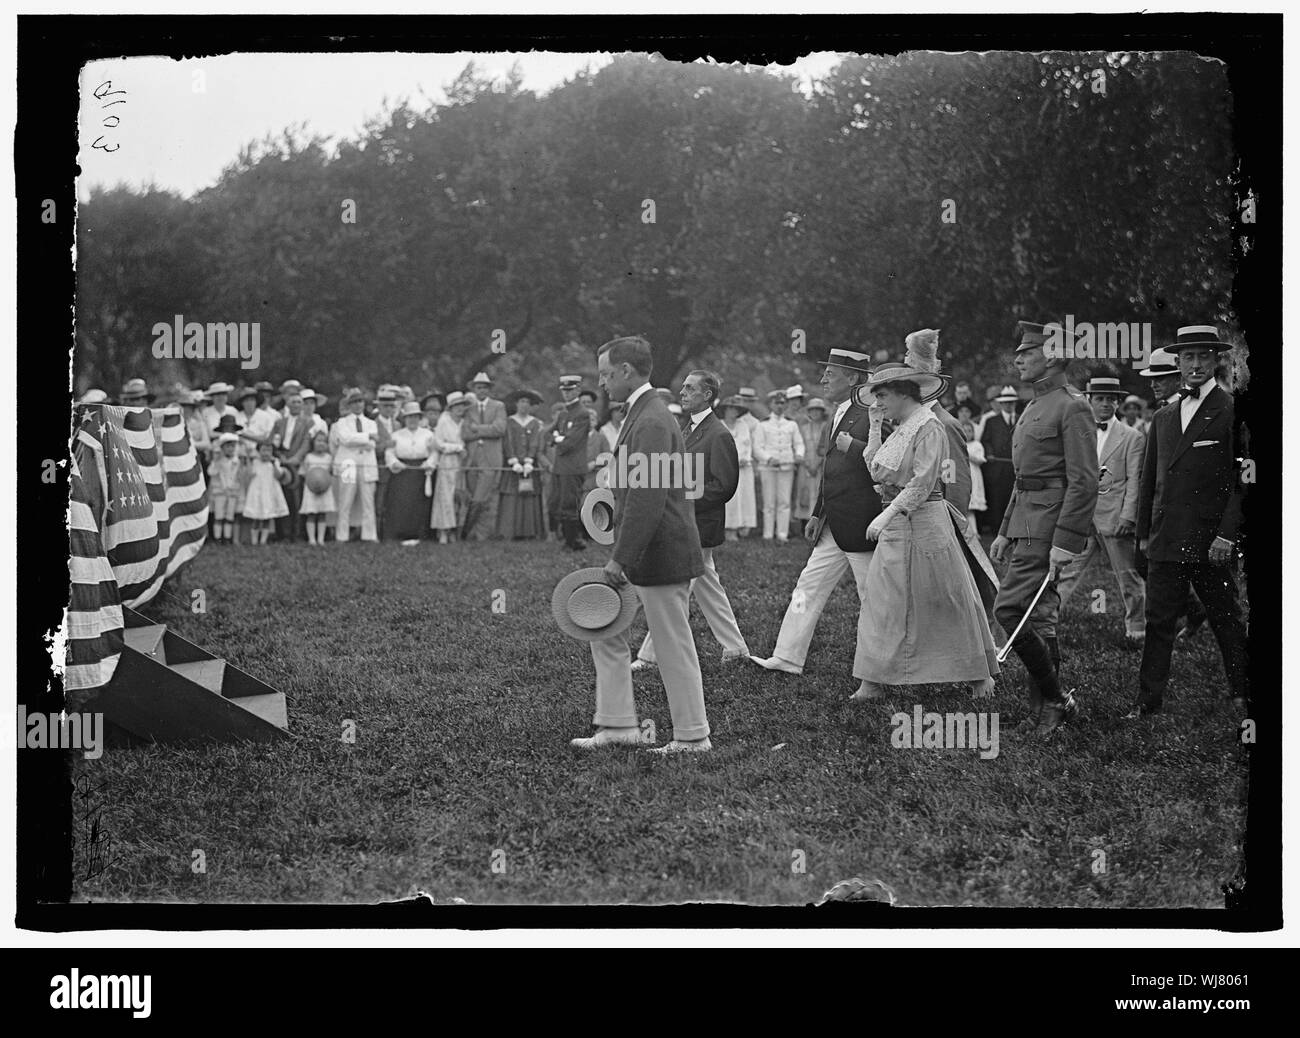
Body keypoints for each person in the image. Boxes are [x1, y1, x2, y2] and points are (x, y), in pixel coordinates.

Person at [571, 336, 711, 754]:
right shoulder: (644, 413)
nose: (602, 382)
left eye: (606, 374)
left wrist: (619, 560)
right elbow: (636, 489)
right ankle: (617, 726)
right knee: (605, 630)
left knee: (672, 647)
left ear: (627, 372)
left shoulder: (650, 419)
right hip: (647, 547)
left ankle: (693, 736)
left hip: (660, 550)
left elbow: (648, 501)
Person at [850, 363, 999, 700]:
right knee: (884, 600)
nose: (879, 403)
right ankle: (872, 679)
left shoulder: (929, 426)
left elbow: (923, 482)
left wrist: (885, 516)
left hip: (926, 523)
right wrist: (874, 426)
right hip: (896, 524)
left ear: (905, 393)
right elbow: (875, 469)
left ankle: (979, 675)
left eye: (883, 396)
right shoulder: (900, 427)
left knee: (944, 596)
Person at [1130, 325, 1248, 718]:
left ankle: (1242, 692)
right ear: (1177, 363)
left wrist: (1227, 537)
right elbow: (1149, 482)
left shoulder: (1232, 411)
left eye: (1202, 356)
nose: (1195, 365)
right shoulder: (1163, 417)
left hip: (1210, 541)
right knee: (1158, 622)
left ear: (1216, 360)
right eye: (1188, 357)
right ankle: (1148, 704)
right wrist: (1144, 536)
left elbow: (1243, 481)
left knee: (1226, 618)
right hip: (1166, 539)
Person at [989, 321, 1098, 734]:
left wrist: (1066, 542)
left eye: (1028, 352)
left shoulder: (1072, 406)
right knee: (1042, 616)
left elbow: (1084, 480)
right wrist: (1003, 530)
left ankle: (1055, 698)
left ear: (1052, 356)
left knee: (1008, 608)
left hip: (1049, 527)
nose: (1018, 358)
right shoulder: (1035, 404)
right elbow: (1024, 477)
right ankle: (1045, 709)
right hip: (1026, 522)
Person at [750, 348, 879, 675]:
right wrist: (817, 514)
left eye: (830, 374)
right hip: (833, 524)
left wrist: (855, 447)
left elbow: (883, 462)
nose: (822, 379)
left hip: (862, 524)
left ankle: (881, 671)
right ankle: (787, 656)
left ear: (853, 378)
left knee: (874, 599)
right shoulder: (840, 413)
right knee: (806, 589)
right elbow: (831, 469)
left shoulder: (872, 413)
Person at [634, 370, 749, 670]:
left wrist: (682, 501)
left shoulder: (719, 434)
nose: (682, 392)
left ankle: (649, 655)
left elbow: (724, 486)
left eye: (689, 388)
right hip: (688, 523)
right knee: (706, 587)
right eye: (683, 387)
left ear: (707, 395)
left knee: (675, 588)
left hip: (701, 525)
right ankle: (736, 649)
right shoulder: (688, 428)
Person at [1054, 376, 1147, 644]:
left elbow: (1134, 481)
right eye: (1100, 399)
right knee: (1066, 569)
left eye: (1111, 399)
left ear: (1118, 402)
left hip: (1114, 518)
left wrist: (1128, 516)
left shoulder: (1132, 437)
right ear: (1089, 401)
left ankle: (1137, 625)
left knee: (1127, 575)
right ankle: (1047, 620)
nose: (1105, 404)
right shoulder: (1079, 433)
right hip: (1082, 518)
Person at [753, 389, 805, 542]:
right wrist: (768, 458)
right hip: (768, 467)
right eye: (776, 403)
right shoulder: (762, 424)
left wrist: (799, 454)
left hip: (786, 466)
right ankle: (767, 534)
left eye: (783, 403)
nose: (780, 406)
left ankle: (782, 534)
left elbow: (799, 443)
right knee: (769, 502)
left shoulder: (791, 424)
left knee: (784, 502)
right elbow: (757, 447)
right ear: (770, 404)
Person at [385, 401, 438, 545]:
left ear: (419, 418)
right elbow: (389, 453)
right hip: (402, 472)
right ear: (405, 419)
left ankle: (420, 533)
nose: (412, 420)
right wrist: (395, 463)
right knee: (402, 502)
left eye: (415, 417)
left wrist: (429, 464)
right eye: (409, 417)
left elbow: (434, 453)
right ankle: (400, 533)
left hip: (421, 472)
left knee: (420, 504)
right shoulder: (396, 435)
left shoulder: (428, 434)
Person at [461, 372, 507, 540]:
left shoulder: (498, 406)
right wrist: (485, 430)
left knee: (481, 498)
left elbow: (500, 429)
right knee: (476, 497)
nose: (481, 390)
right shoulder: (468, 409)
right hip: (472, 459)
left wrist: (477, 429)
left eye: (484, 387)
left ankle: (467, 532)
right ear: (474, 389)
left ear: (489, 389)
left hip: (490, 458)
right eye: (478, 387)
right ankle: (479, 534)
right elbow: (465, 433)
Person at [333, 388, 380, 543]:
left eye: (360, 401)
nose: (358, 405)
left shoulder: (371, 423)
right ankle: (342, 535)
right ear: (349, 405)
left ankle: (369, 535)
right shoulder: (342, 423)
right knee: (345, 500)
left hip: (367, 462)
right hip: (348, 463)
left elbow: (373, 443)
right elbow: (346, 439)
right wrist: (366, 437)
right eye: (354, 402)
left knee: (368, 501)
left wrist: (363, 440)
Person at [497, 389, 546, 540]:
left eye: (527, 402)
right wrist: (513, 460)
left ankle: (530, 532)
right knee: (511, 494)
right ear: (516, 404)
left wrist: (529, 460)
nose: (524, 405)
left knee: (530, 494)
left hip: (530, 466)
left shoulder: (535, 423)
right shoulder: (510, 421)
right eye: (521, 402)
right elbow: (508, 442)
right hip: (513, 466)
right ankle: (510, 531)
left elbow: (535, 442)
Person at [552, 374, 592, 551]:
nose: (567, 394)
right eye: (564, 391)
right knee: (560, 502)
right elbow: (548, 434)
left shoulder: (582, 413)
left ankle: (574, 541)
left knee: (570, 503)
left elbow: (569, 443)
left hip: (573, 466)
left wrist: (558, 439)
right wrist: (558, 438)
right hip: (561, 465)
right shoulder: (563, 413)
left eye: (570, 390)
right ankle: (570, 539)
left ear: (577, 390)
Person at [271, 390, 315, 543]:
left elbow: (305, 443)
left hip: (297, 464)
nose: (296, 405)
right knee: (280, 498)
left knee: (297, 500)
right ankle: (281, 533)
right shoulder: (279, 423)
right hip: (281, 463)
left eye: (299, 402)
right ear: (287, 404)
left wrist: (295, 459)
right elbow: (273, 443)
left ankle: (296, 534)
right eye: (293, 402)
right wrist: (280, 457)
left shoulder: (308, 422)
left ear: (302, 405)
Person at [979, 385, 1020, 536]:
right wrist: (989, 453)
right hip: (997, 468)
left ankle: (1013, 530)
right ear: (1001, 404)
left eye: (1012, 403)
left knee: (1014, 498)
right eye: (1006, 403)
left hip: (1015, 468)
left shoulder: (1022, 419)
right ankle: (997, 530)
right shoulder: (992, 421)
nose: (1009, 405)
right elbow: (986, 440)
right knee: (997, 499)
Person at [431, 391, 470, 544]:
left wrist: (462, 450)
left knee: (458, 496)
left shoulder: (465, 422)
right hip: (447, 461)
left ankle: (455, 530)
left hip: (462, 462)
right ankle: (443, 531)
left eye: (462, 405)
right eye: (456, 406)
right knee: (445, 497)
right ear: (450, 408)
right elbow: (437, 443)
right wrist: (457, 448)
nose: (459, 409)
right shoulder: (444, 421)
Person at [720, 395, 757, 540]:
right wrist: (732, 461)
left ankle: (743, 525)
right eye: (730, 408)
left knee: (745, 496)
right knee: (730, 498)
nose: (733, 411)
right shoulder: (719, 425)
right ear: (724, 410)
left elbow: (747, 445)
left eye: (735, 409)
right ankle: (729, 528)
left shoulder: (743, 425)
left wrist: (744, 458)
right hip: (726, 468)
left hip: (744, 466)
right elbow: (721, 448)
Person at [243, 440, 290, 545]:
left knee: (267, 517)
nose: (266, 453)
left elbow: (278, 475)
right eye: (263, 450)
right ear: (258, 451)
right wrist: (248, 459)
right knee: (256, 517)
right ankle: (254, 541)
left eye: (269, 451)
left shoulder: (274, 462)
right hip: (257, 492)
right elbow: (250, 474)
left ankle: (263, 540)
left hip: (269, 492)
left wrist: (274, 464)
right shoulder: (255, 462)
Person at [794, 395, 828, 534]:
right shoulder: (802, 428)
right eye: (812, 410)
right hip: (805, 465)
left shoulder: (825, 427)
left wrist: (817, 463)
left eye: (818, 410)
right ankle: (803, 525)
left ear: (822, 412)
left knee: (818, 492)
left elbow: (825, 447)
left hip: (820, 465)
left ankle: (817, 524)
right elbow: (798, 445)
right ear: (808, 412)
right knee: (804, 492)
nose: (815, 413)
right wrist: (806, 464)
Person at [373, 388, 401, 541]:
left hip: (397, 470)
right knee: (378, 502)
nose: (389, 409)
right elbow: (371, 449)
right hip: (380, 468)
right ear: (380, 407)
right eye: (386, 406)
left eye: (392, 406)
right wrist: (385, 445)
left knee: (393, 501)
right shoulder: (372, 424)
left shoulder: (398, 425)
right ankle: (377, 533)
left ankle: (391, 533)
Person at [300, 431, 337, 546]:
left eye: (323, 441)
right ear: (313, 443)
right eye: (318, 441)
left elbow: (331, 472)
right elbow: (303, 472)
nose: (321, 444)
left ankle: (321, 539)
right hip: (311, 489)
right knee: (311, 513)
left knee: (322, 514)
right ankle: (312, 539)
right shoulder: (308, 457)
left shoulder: (328, 458)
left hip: (325, 489)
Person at [207, 434, 242, 544]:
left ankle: (227, 537)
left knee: (229, 515)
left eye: (233, 446)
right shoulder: (217, 462)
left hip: (232, 492)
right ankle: (218, 538)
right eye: (227, 446)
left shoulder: (237, 461)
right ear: (222, 448)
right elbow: (211, 472)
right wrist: (216, 462)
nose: (230, 449)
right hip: (220, 492)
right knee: (219, 515)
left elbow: (239, 476)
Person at [964, 420, 987, 536]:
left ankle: (974, 532)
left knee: (970, 507)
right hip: (963, 476)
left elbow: (980, 460)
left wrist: (966, 453)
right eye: (964, 431)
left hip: (973, 476)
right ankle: (968, 531)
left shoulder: (977, 445)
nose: (967, 433)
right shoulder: (959, 444)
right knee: (965, 507)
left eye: (969, 431)